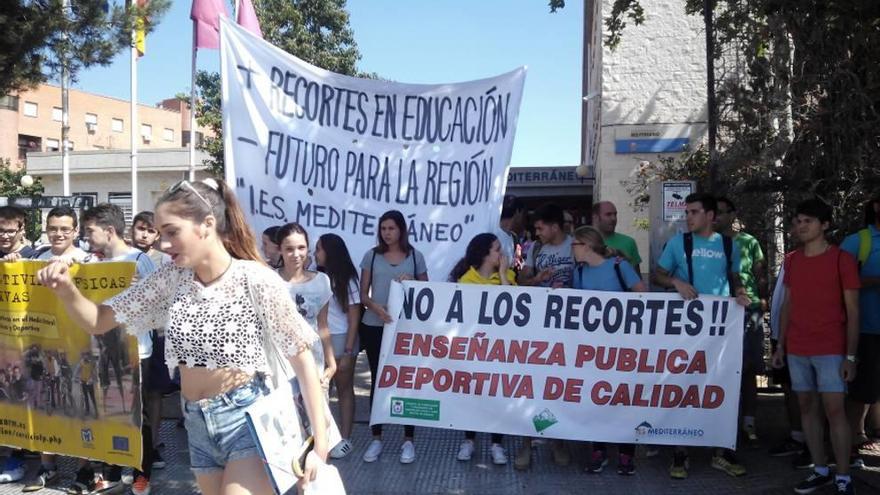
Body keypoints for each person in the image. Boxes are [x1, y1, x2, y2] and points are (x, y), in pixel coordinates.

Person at [36, 178, 329, 495]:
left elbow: (302, 358)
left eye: (172, 232)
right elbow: (98, 321)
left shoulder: (255, 278)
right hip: (196, 423)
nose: (163, 244)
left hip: (247, 420)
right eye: (161, 234)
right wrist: (65, 290)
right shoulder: (171, 277)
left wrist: (320, 444)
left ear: (207, 224)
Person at [652, 192, 751, 480]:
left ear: (710, 216)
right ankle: (680, 451)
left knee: (722, 385)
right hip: (686, 328)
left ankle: (721, 451)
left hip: (720, 330)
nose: (688, 217)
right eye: (687, 212)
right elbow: (658, 274)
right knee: (684, 383)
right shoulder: (678, 242)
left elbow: (736, 276)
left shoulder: (729, 244)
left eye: (694, 212)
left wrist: (742, 292)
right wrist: (676, 282)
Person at [771, 198, 861, 495]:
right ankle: (820, 469)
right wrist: (780, 345)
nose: (800, 226)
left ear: (824, 225)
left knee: (834, 410)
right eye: (797, 221)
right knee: (807, 407)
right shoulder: (792, 260)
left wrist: (850, 355)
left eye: (807, 221)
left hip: (831, 348)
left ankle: (844, 475)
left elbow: (853, 310)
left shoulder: (841, 260)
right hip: (797, 347)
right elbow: (788, 306)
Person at [79, 202, 158, 494]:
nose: (87, 237)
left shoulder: (139, 260)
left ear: (109, 231)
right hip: (101, 349)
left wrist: (138, 291)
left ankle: (141, 472)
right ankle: (111, 471)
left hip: (137, 350)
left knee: (138, 416)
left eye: (91, 231)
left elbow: (158, 305)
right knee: (109, 411)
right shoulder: (91, 263)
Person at [571, 226, 647, 474]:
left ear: (588, 245)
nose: (572, 249)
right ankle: (599, 449)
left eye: (575, 244)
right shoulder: (579, 271)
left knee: (623, 397)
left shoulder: (618, 266)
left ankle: (626, 453)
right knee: (596, 396)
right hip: (593, 349)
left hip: (623, 346)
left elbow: (643, 297)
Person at [359, 210, 428, 464]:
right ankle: (376, 438)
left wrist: (412, 283)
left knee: (405, 381)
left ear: (401, 229)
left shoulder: (415, 256)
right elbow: (363, 295)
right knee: (378, 381)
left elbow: (427, 292)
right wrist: (377, 308)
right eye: (383, 228)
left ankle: (408, 440)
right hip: (375, 326)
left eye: (391, 228)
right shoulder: (372, 256)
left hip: (405, 328)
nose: (387, 233)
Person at [515, 203, 574, 469]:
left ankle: (557, 441)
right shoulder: (536, 250)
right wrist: (537, 279)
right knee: (532, 384)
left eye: (540, 228)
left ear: (554, 226)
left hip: (568, 329)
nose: (536, 232)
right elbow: (521, 283)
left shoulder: (576, 245)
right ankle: (527, 443)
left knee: (560, 387)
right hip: (537, 327)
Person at [448, 233, 514, 466]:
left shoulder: (508, 276)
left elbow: (515, 306)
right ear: (485, 254)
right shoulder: (466, 280)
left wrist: (505, 275)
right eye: (497, 249)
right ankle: (469, 440)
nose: (502, 254)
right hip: (474, 349)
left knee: (498, 395)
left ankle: (497, 443)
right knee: (471, 395)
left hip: (501, 351)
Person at [716, 197, 768, 445]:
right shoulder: (708, 244)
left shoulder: (748, 241)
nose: (717, 217)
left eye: (722, 213)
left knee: (748, 369)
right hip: (718, 311)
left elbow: (759, 273)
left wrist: (763, 299)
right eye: (713, 212)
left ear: (732, 215)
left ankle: (748, 422)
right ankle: (722, 422)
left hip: (748, 310)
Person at [131, 210, 173, 472]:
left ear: (157, 234)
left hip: (156, 334)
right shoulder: (121, 257)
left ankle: (153, 444)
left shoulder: (167, 261)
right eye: (140, 228)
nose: (144, 234)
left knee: (154, 393)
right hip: (128, 335)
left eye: (150, 230)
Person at [841, 193, 880, 469]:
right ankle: (850, 444)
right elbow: (838, 281)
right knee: (861, 390)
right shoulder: (859, 242)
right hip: (868, 330)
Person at [274, 223, 337, 392]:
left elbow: (322, 325)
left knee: (316, 416)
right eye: (289, 249)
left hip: (313, 360)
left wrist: (331, 363)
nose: (296, 254)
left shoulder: (321, 281)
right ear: (279, 249)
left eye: (301, 248)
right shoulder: (270, 280)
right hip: (279, 364)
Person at [315, 233, 360, 459]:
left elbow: (354, 318)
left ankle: (344, 438)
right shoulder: (315, 277)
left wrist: (349, 351)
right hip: (319, 341)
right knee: (322, 391)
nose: (315, 253)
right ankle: (324, 438)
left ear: (330, 252)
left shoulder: (348, 280)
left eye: (319, 249)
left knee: (343, 389)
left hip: (342, 339)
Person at [592, 201, 642, 273]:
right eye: (608, 214)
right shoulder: (585, 243)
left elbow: (637, 278)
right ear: (596, 217)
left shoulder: (629, 242)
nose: (613, 218)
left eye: (615, 214)